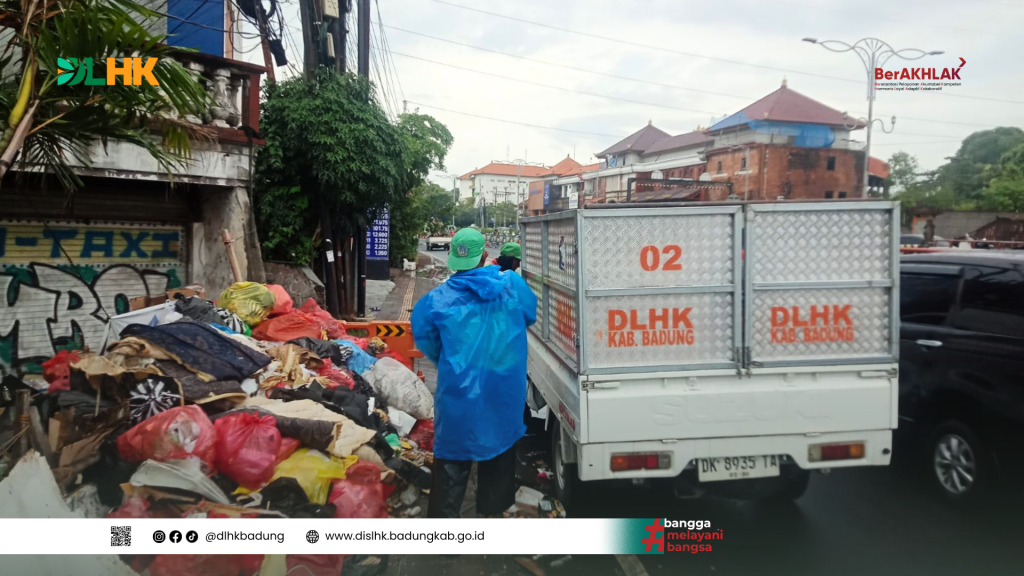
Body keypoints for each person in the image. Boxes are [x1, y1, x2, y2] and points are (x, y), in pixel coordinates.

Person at [411, 228, 538, 518]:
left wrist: (456, 363)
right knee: (500, 452)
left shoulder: (434, 302)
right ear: (484, 255)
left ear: (455, 258)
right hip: (503, 389)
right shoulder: (512, 285)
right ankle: (491, 519)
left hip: (458, 393)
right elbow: (529, 315)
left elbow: (429, 344)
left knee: (452, 459)